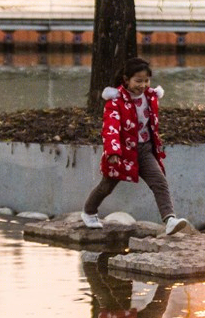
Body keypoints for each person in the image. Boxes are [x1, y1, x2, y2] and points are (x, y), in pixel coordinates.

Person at [79, 57, 191, 237]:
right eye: (138, 81)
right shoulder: (115, 101)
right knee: (107, 186)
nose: (143, 85)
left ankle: (170, 219)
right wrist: (113, 151)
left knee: (159, 182)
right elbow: (111, 128)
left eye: (146, 80)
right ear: (126, 79)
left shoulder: (151, 97)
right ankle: (89, 211)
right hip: (122, 152)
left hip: (145, 150)